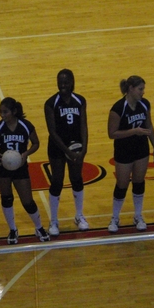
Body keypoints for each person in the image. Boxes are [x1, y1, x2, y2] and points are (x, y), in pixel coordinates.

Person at [0, 97, 50, 244]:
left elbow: (36, 143)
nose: (2, 115)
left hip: (20, 167)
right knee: (7, 198)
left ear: (14, 112)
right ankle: (12, 229)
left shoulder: (26, 126)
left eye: (5, 112)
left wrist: (26, 154)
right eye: (0, 112)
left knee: (28, 201)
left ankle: (39, 227)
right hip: (2, 168)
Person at [107, 75, 154, 232]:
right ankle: (115, 218)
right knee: (122, 184)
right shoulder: (117, 109)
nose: (143, 92)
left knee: (139, 182)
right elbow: (112, 133)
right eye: (140, 89)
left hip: (141, 150)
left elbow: (149, 126)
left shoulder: (145, 104)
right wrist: (133, 131)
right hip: (124, 151)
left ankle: (138, 215)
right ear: (130, 89)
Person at [44, 69, 89, 236]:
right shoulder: (51, 103)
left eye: (65, 82)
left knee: (76, 178)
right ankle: (54, 220)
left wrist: (83, 149)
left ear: (72, 82)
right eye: (59, 82)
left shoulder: (80, 101)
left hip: (76, 146)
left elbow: (83, 125)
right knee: (57, 181)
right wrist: (66, 151)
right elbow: (52, 131)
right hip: (57, 146)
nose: (62, 85)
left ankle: (79, 215)